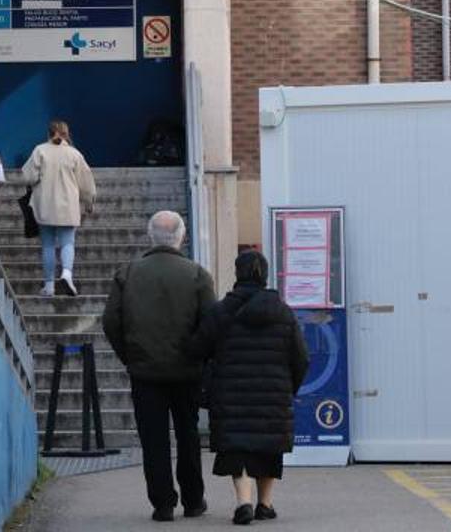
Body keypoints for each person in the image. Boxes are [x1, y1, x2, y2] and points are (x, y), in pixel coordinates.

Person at [102, 211, 216, 523]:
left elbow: (111, 321)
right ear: (181, 237)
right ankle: (194, 500)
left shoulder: (128, 273)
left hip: (145, 372)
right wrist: (198, 356)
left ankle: (163, 504)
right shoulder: (197, 274)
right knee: (188, 434)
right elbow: (211, 324)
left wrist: (130, 355)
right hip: (187, 372)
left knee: (154, 440)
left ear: (150, 236)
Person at [186, 251, 309, 526]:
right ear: (265, 276)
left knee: (238, 447)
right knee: (269, 446)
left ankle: (244, 502)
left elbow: (197, 348)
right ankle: (265, 504)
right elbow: (301, 357)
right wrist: (289, 388)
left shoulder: (220, 311)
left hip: (230, 393)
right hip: (273, 393)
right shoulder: (282, 311)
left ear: (237, 274)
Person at [20, 120, 95, 298]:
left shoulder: (40, 151)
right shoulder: (74, 154)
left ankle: (49, 286)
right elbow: (86, 182)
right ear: (67, 134)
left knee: (48, 245)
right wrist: (88, 202)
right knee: (68, 242)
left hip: (45, 204)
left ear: (49, 133)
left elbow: (28, 177)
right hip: (69, 205)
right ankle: (67, 274)